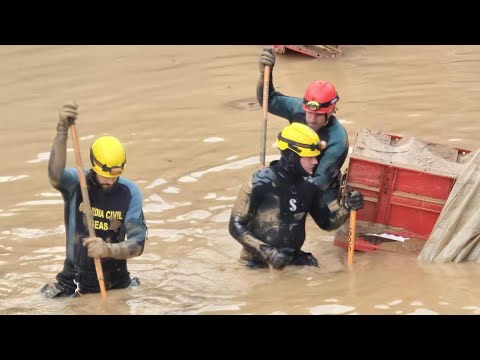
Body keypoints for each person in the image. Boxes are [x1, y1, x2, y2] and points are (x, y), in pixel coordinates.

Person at [40, 100, 147, 298]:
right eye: (105, 175)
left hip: (116, 284)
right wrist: (62, 130)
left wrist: (108, 249)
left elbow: (138, 244)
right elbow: (54, 176)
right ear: (94, 166)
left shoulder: (129, 192)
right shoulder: (76, 183)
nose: (110, 180)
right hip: (72, 283)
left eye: (116, 176)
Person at [229, 122, 363, 270]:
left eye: (316, 157)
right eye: (309, 158)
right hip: (255, 265)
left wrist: (347, 207)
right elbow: (236, 225)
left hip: (294, 260)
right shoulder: (260, 182)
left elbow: (327, 224)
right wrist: (265, 251)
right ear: (292, 157)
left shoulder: (310, 186)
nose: (315, 162)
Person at [257, 48, 349, 208]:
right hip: (293, 174)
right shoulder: (297, 108)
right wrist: (265, 74)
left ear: (331, 111)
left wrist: (280, 194)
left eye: (319, 115)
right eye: (309, 113)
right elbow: (268, 100)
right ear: (304, 107)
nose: (312, 119)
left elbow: (320, 182)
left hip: (321, 191)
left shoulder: (337, 140)